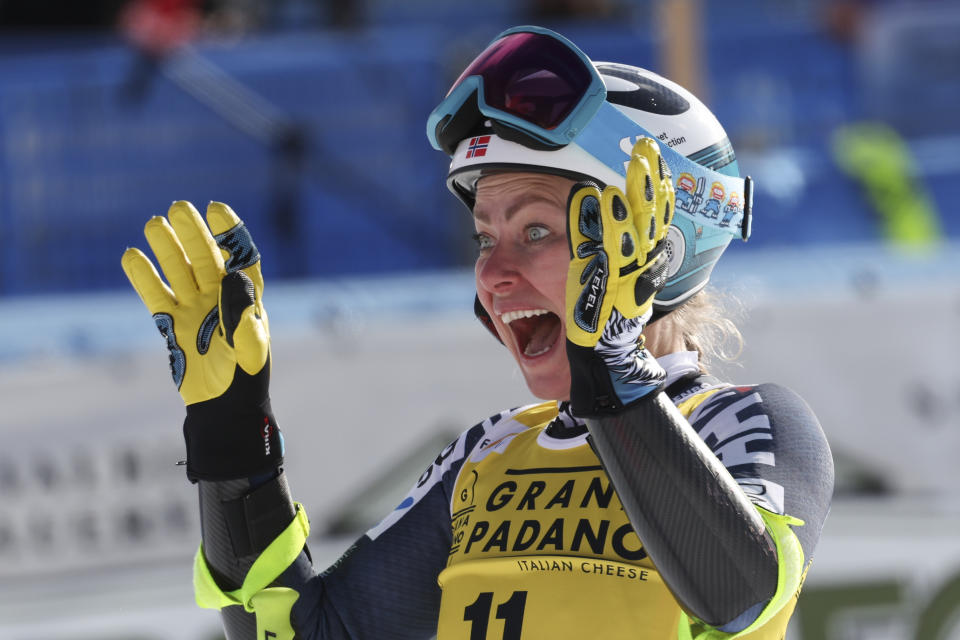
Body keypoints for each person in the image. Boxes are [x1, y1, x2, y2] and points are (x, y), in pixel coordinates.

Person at [121, 25, 833, 640]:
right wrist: (231, 436)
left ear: (657, 246)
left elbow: (739, 601)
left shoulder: (746, 421)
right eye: (483, 236)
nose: (493, 274)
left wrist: (612, 362)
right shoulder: (487, 455)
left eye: (535, 230)